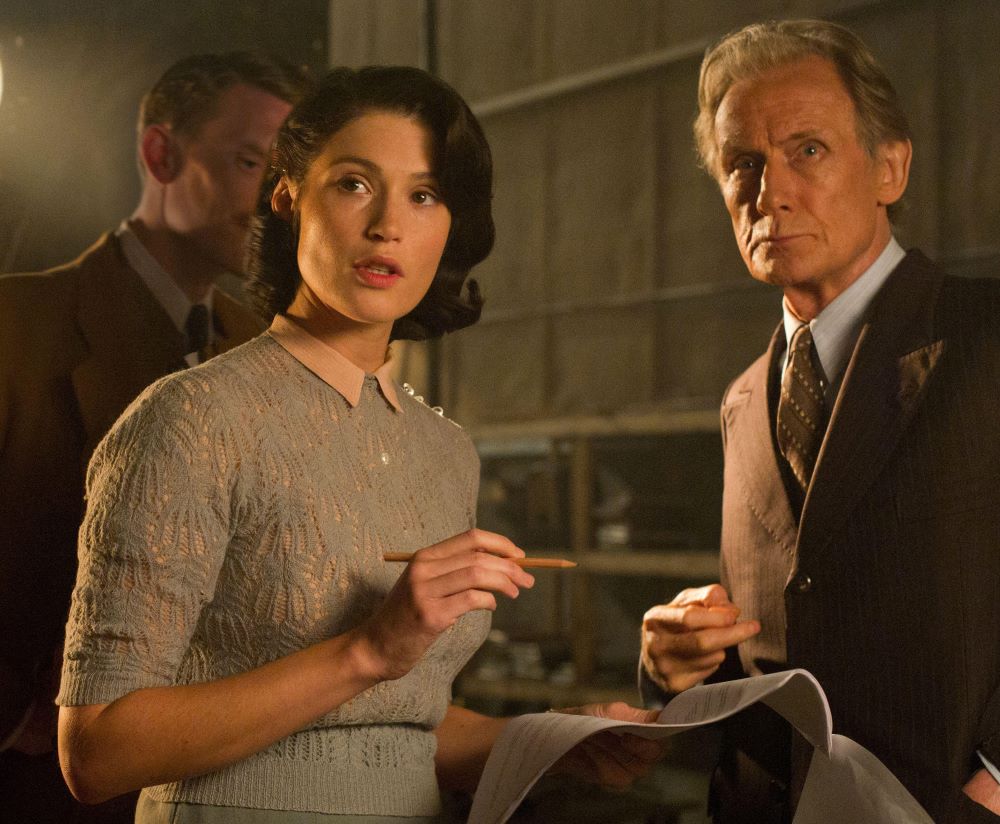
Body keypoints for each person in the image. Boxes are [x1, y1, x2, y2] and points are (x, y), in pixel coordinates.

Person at [56, 66, 662, 823]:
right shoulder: (190, 418)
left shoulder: (445, 450)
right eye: (353, 184)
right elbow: (95, 751)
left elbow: (402, 730)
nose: (388, 226)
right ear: (286, 195)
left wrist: (553, 741)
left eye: (425, 194)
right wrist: (366, 649)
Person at [638, 18, 1000, 824]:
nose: (770, 192)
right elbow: (787, 634)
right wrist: (676, 664)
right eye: (742, 164)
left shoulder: (986, 339)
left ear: (890, 167)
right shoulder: (742, 401)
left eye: (808, 149)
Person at [0, 51, 309, 823]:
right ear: (159, 154)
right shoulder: (16, 328)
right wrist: (14, 713)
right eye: (249, 163)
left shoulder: (269, 348)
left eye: (290, 178)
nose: (277, 204)